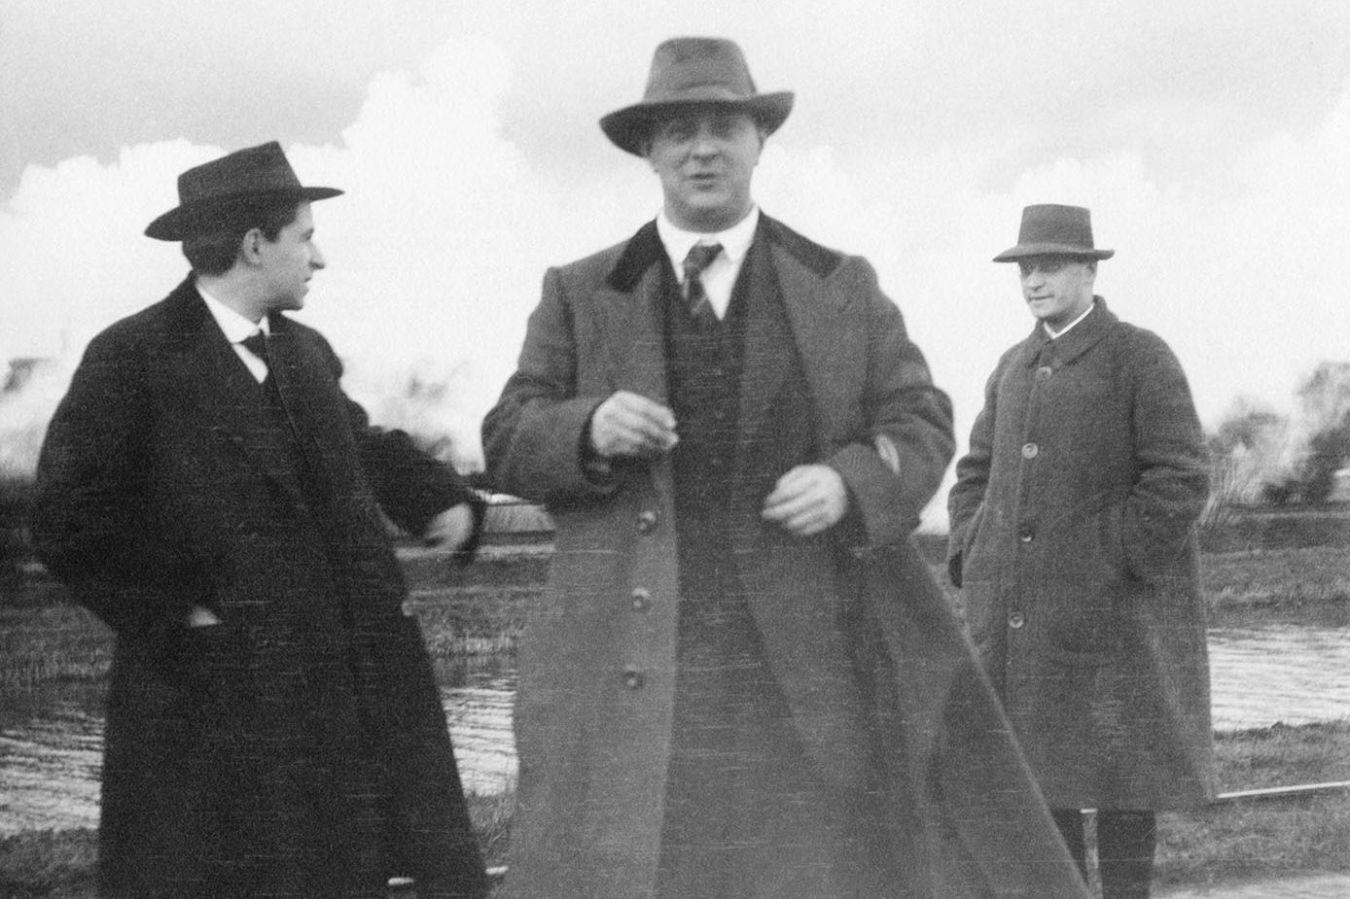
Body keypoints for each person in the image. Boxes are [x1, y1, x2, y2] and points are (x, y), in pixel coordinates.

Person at [483, 37, 1090, 898]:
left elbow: (919, 419)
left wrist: (850, 480)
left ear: (760, 140)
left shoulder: (840, 283)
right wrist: (587, 428)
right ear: (647, 151)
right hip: (635, 675)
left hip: (808, 677)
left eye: (725, 128)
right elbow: (507, 434)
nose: (703, 150)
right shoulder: (581, 291)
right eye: (679, 131)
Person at [30, 142, 489, 898]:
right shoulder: (133, 356)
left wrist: (441, 498)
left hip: (330, 703)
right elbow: (67, 517)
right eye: (305, 237)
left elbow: (357, 443)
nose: (320, 258)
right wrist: (180, 609)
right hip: (208, 702)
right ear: (253, 245)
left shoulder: (305, 352)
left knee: (338, 872)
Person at [947, 204, 1216, 898]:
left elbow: (1181, 476)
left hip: (1114, 625)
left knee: (1125, 785)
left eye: (1050, 267)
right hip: (1023, 628)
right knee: (1040, 787)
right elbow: (975, 471)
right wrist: (972, 547)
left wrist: (1110, 557)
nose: (1033, 281)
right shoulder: (1013, 366)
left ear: (1090, 272)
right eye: (1024, 270)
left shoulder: (1139, 356)